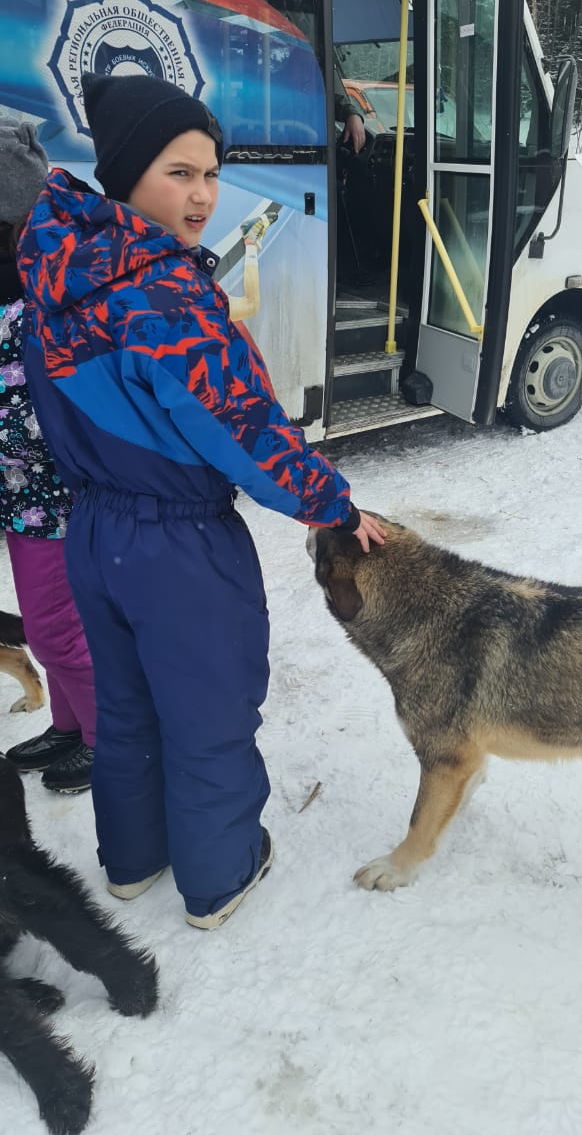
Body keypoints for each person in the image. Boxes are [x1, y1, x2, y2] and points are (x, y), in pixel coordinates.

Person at [17, 72, 385, 930]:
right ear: (128, 172)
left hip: (94, 531)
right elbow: (244, 428)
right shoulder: (166, 297)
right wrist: (331, 503)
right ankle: (220, 877)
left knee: (128, 701)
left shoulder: (54, 277)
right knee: (209, 707)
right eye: (180, 172)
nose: (202, 194)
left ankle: (133, 862)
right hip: (177, 541)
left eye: (211, 173)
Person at [0, 121, 97, 794]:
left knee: (58, 628)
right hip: (19, 491)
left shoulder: (40, 297)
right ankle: (69, 724)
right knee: (49, 623)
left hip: (50, 494)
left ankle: (104, 740)